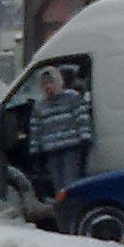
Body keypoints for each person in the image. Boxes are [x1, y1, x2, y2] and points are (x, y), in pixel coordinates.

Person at [31, 67, 92, 197]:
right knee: (58, 184)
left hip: (71, 147)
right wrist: (35, 150)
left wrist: (85, 137)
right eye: (44, 84)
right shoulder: (39, 106)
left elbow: (81, 117)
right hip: (52, 150)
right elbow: (36, 129)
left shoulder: (72, 97)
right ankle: (62, 206)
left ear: (58, 82)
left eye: (50, 82)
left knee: (70, 181)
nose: (48, 86)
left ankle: (73, 205)